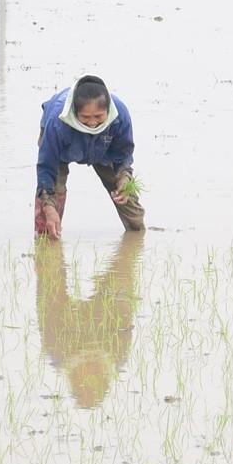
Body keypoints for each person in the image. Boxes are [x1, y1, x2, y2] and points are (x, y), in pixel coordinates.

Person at [35, 235, 143, 409]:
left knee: (122, 270)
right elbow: (47, 299)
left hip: (99, 315)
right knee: (48, 249)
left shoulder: (60, 355)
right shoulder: (114, 356)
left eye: (88, 375)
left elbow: (124, 307)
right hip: (67, 317)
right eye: (92, 375)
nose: (89, 370)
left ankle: (134, 229)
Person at [35, 74, 143, 238]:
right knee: (48, 220)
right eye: (85, 117)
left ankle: (136, 242)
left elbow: (124, 153)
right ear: (75, 111)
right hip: (62, 149)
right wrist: (48, 205)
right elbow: (46, 166)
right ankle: (46, 249)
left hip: (104, 149)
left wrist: (124, 177)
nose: (92, 123)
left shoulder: (119, 116)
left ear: (107, 110)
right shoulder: (57, 122)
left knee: (131, 209)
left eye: (98, 116)